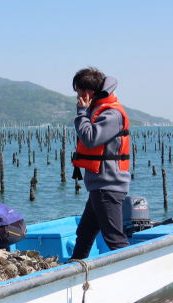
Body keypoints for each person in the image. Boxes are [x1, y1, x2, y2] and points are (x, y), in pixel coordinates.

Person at [70, 67, 131, 260]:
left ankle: (132, 275)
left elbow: (90, 138)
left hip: (109, 187)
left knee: (115, 239)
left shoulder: (112, 114)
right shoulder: (97, 110)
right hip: (99, 186)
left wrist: (81, 113)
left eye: (78, 93)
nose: (77, 98)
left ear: (87, 93)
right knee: (85, 233)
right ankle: (74, 268)